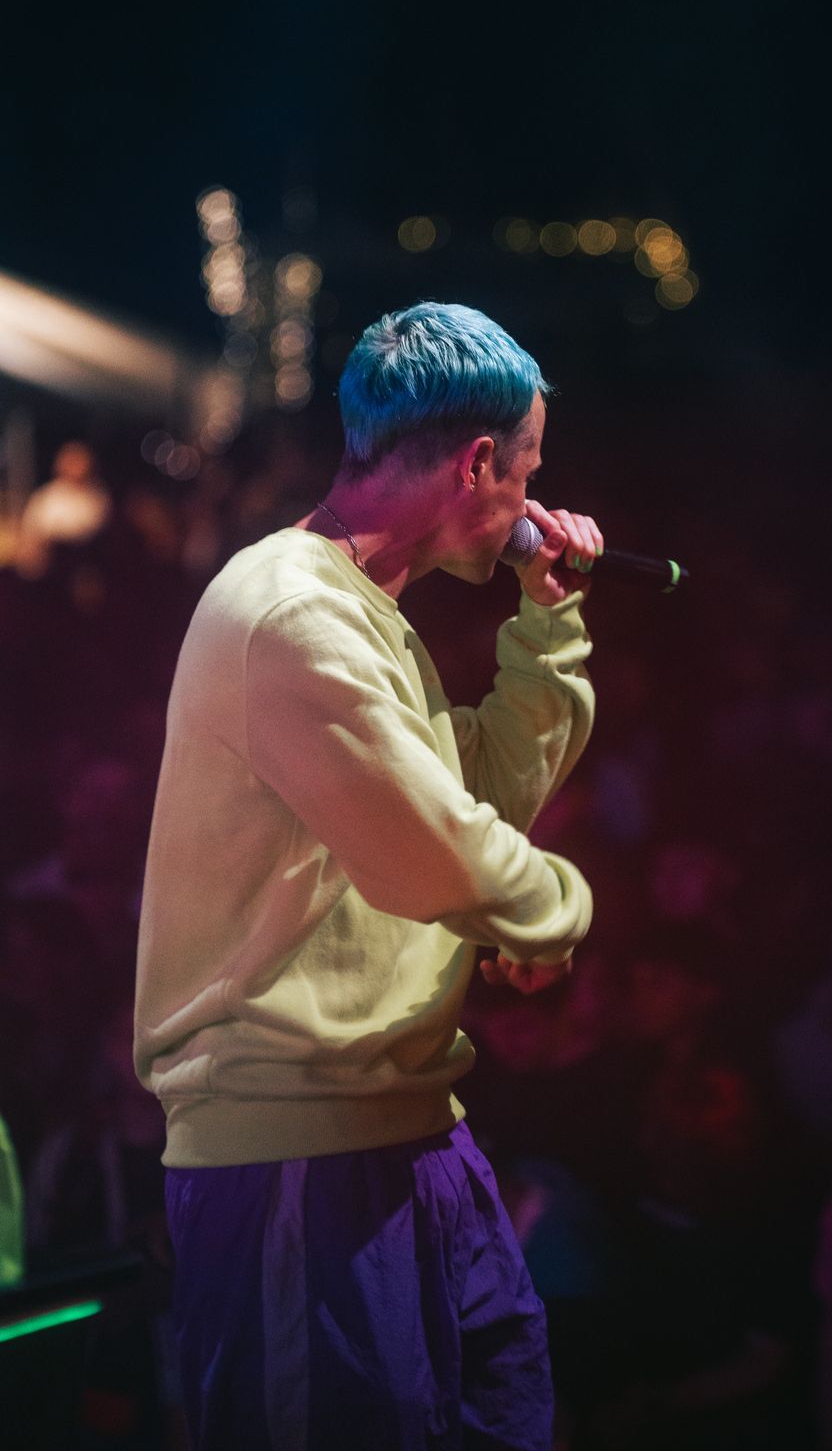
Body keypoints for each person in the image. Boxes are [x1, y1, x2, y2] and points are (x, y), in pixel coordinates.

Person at [133, 302, 604, 1451]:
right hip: (295, 1157)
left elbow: (473, 800)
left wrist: (547, 624)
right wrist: (555, 916)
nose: (535, 506)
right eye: (529, 470)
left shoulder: (360, 613)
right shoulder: (290, 612)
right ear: (477, 461)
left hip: (403, 1129)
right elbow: (442, 853)